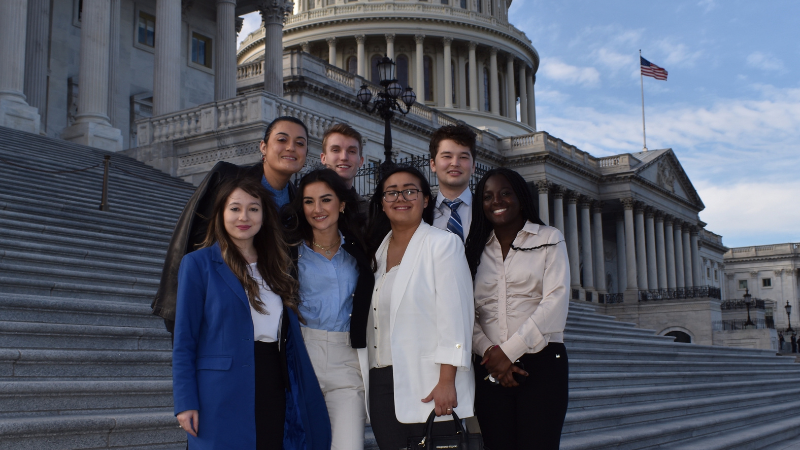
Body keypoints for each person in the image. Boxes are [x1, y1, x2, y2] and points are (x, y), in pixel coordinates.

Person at [172, 177, 330, 450]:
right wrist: (185, 402)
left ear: (264, 215)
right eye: (235, 208)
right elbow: (184, 341)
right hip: (219, 390)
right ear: (221, 214)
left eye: (253, 209)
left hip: (273, 380)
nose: (244, 217)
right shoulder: (198, 264)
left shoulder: (277, 264)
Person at [153, 116, 309, 336]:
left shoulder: (299, 206)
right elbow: (190, 240)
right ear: (263, 147)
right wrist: (179, 310)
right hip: (218, 315)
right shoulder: (227, 179)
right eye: (282, 139)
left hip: (268, 323)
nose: (291, 147)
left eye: (300, 143)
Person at [363, 164, 475, 450]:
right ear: (382, 204)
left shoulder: (443, 244)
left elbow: (456, 315)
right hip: (381, 383)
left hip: (428, 383)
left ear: (426, 200)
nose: (401, 198)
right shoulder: (376, 252)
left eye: (410, 191)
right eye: (392, 193)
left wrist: (447, 380)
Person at [465, 167, 570, 450]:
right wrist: (490, 352)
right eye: (487, 196)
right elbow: (465, 310)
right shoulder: (475, 248)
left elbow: (555, 301)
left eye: (505, 193)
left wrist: (508, 352)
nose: (496, 201)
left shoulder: (548, 238)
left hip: (542, 361)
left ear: (521, 197)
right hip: (489, 368)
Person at [283, 168, 375, 450]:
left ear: (342, 204)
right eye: (309, 202)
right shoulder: (289, 251)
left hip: (346, 360)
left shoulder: (359, 249)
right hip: (302, 356)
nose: (317, 209)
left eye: (326, 199)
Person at [429, 124, 476, 241]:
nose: (455, 163)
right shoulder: (421, 215)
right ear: (433, 164)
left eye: (463, 157)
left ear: (474, 166)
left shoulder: (487, 212)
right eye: (447, 156)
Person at [320, 123, 368, 215]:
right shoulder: (304, 203)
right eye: (336, 150)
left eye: (352, 151)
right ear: (323, 158)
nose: (344, 157)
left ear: (361, 161)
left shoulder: (370, 212)